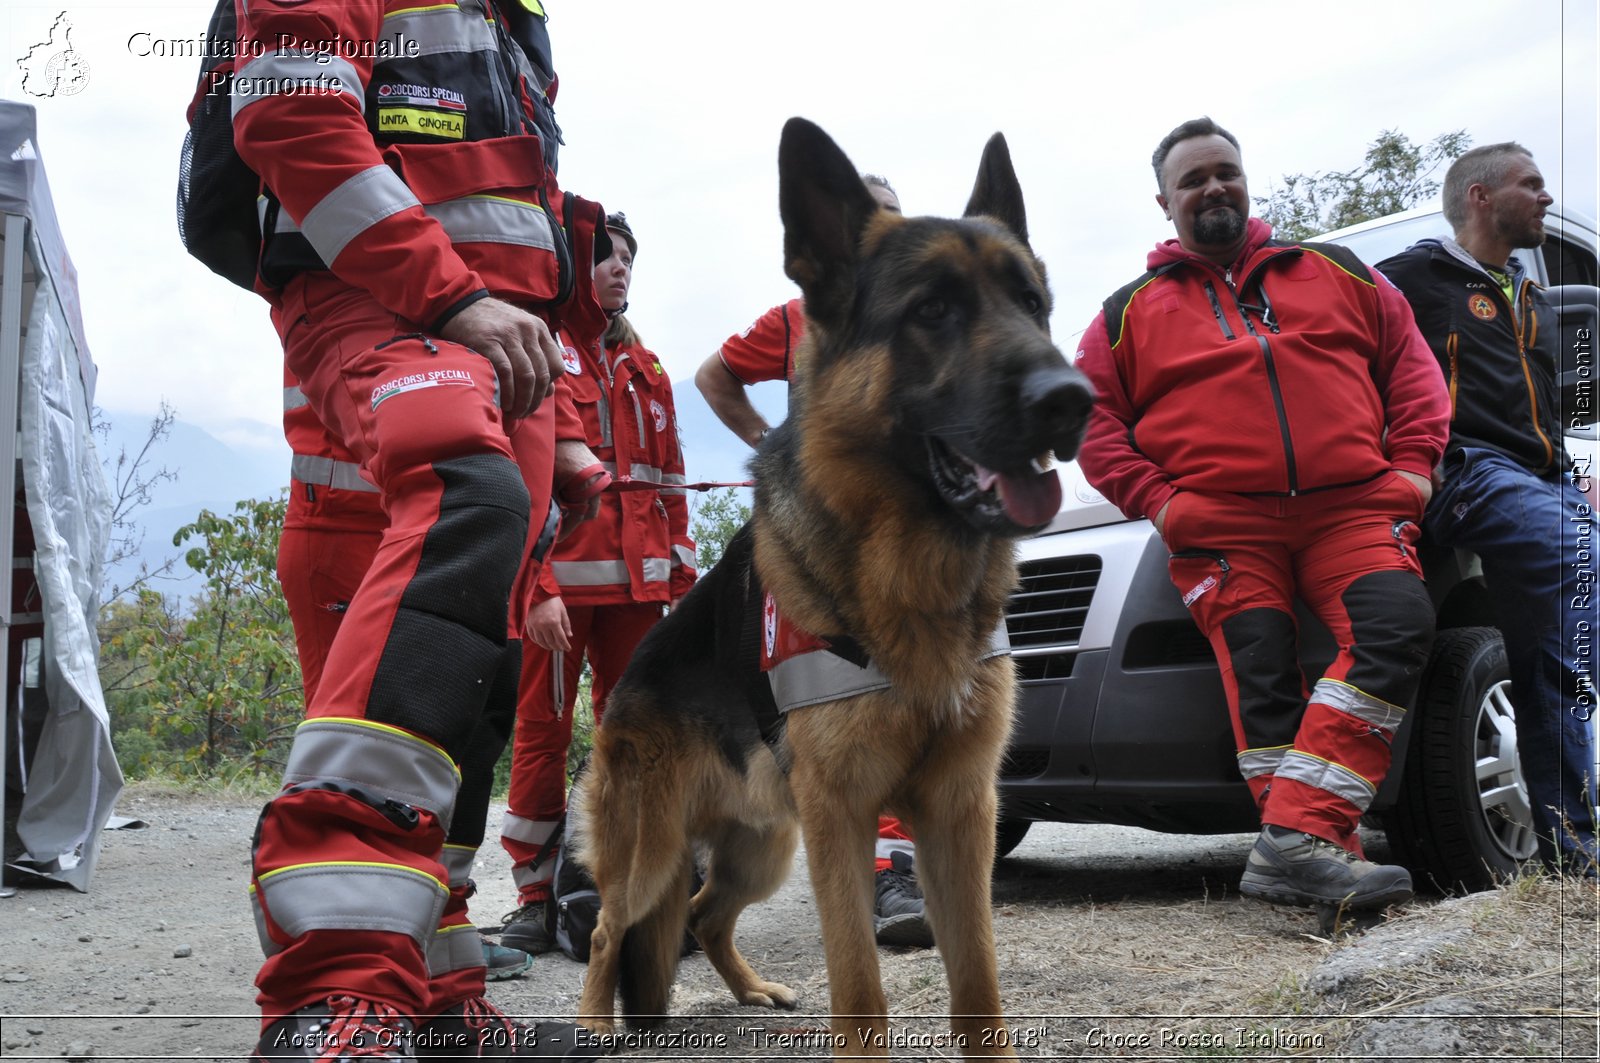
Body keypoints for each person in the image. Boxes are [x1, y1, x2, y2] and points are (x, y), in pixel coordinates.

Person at [231, 2, 605, 1057]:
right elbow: (290, 114)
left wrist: (566, 430)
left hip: (503, 343)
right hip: (385, 298)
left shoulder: (510, 20)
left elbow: (524, 235)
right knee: (464, 495)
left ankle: (435, 994)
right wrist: (447, 299)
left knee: (477, 661)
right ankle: (331, 988)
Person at [1074, 117, 1451, 913]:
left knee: (1394, 627)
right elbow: (1089, 425)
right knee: (1261, 675)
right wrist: (1162, 503)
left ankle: (1291, 844)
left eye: (1225, 172)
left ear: (1245, 180)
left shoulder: (1337, 270)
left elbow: (1413, 369)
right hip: (1223, 525)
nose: (1213, 187)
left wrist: (1415, 469)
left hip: (1351, 507)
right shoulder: (1124, 312)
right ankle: (1322, 857)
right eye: (1193, 180)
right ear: (1164, 202)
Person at [692, 175, 934, 949]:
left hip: (906, 531)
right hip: (815, 538)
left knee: (901, 686)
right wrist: (772, 443)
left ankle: (890, 868)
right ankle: (710, 838)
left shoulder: (931, 308)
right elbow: (713, 375)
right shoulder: (795, 318)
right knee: (810, 694)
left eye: (888, 212)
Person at [1376, 142, 1599, 874]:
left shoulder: (1526, 295)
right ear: (1480, 196)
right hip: (1467, 470)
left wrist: (1572, 473)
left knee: (1555, 665)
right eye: (1530, 184)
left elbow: (1543, 412)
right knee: (1581, 556)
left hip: (1541, 481)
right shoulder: (1409, 277)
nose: (1544, 195)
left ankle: (1572, 847)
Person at [495, 213, 698, 953]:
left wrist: (681, 577)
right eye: (608, 257)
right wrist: (537, 584)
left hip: (639, 600)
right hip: (561, 596)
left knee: (637, 737)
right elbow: (531, 478)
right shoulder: (543, 349)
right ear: (574, 268)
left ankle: (627, 886)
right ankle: (533, 896)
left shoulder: (649, 372)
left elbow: (667, 483)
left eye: (629, 261)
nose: (621, 270)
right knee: (541, 734)